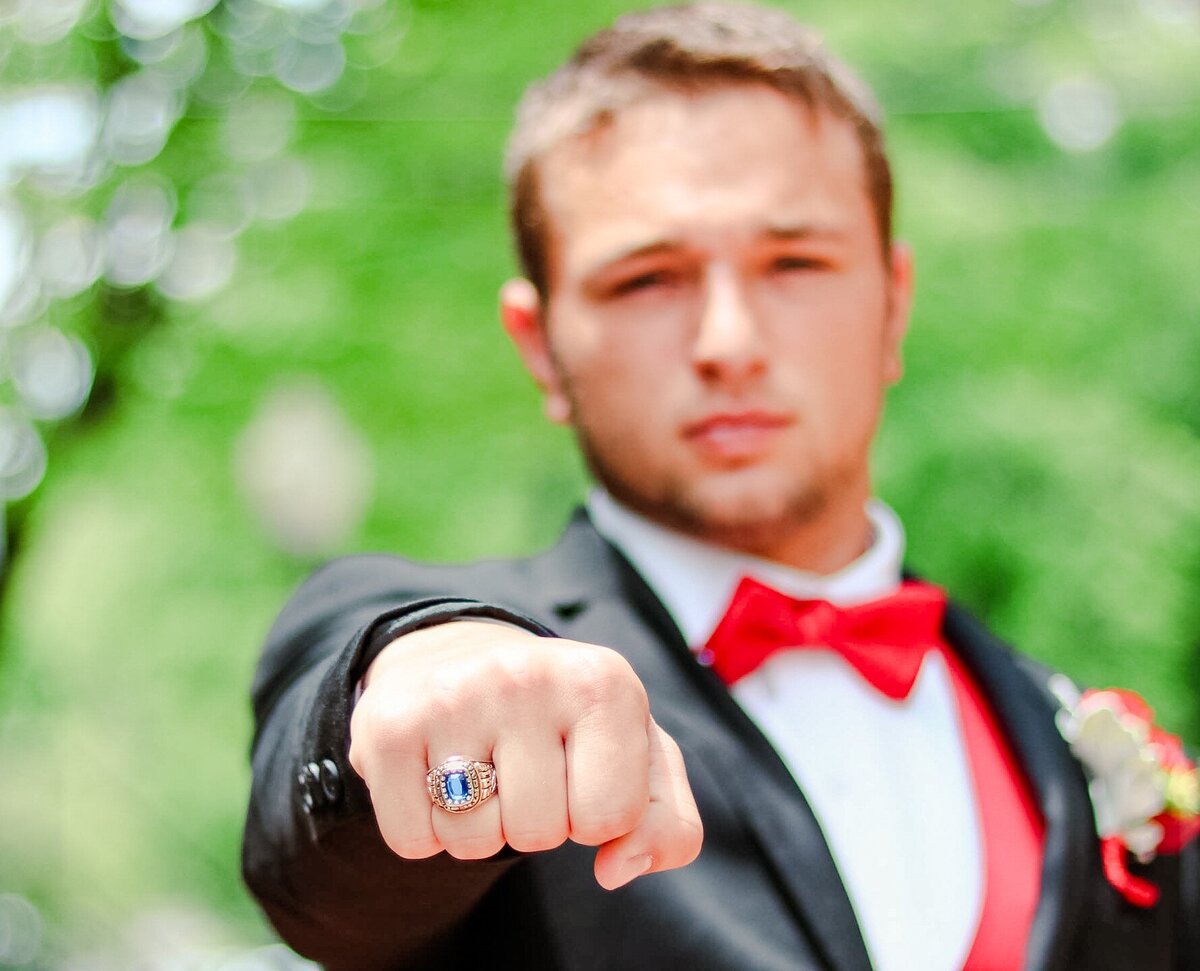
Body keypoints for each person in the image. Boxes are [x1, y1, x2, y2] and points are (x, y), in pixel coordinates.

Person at [241, 5, 1199, 969]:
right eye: (647, 280)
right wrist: (415, 677)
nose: (729, 343)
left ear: (893, 304)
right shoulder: (470, 658)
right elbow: (324, 882)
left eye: (795, 263)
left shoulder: (1063, 728)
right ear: (540, 347)